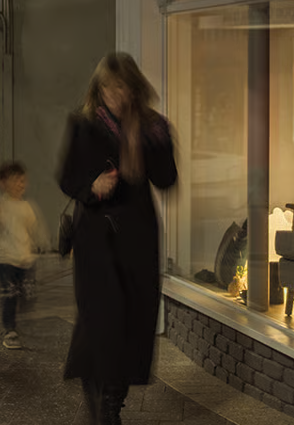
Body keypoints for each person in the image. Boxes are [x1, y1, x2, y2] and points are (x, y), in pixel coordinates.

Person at [58, 52, 177, 425]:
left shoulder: (153, 128)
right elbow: (67, 178)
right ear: (99, 88)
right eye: (108, 87)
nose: (115, 95)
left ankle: (112, 402)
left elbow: (167, 180)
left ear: (134, 87)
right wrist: (92, 186)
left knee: (133, 322)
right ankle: (102, 401)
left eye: (122, 87)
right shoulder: (84, 124)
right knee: (102, 320)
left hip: (137, 238)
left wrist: (154, 144)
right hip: (96, 238)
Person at [0, 161, 49, 350]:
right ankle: (9, 329)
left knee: (27, 294)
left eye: (23, 181)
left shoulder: (27, 206)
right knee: (9, 294)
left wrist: (41, 243)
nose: (20, 184)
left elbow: (34, 228)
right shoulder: (0, 205)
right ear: (3, 183)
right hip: (5, 259)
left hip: (25, 258)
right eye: (16, 180)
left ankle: (22, 320)